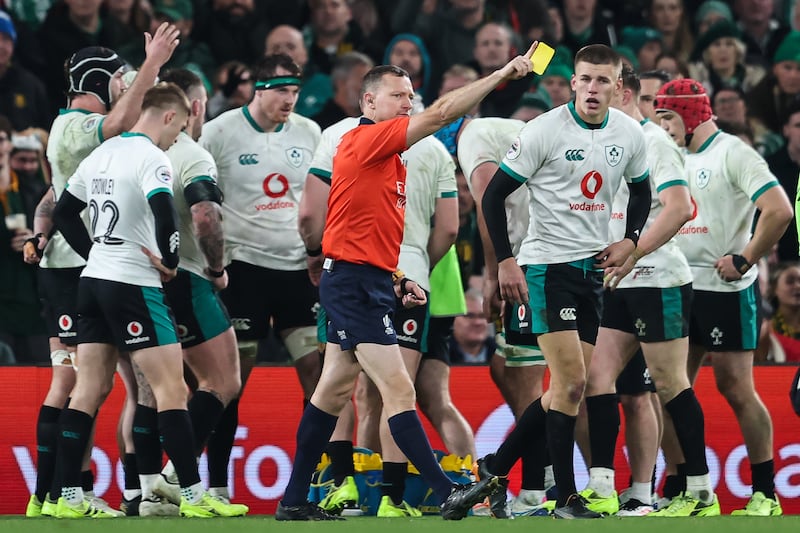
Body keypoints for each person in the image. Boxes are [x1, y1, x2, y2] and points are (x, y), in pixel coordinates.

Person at [275, 41, 537, 521]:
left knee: (332, 391)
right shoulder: (367, 139)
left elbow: (357, 229)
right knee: (399, 389)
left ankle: (293, 500)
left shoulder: (390, 159)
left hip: (364, 279)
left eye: (410, 95)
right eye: (397, 95)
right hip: (353, 285)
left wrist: (394, 278)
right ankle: (446, 492)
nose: (407, 103)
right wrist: (501, 74)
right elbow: (440, 114)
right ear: (368, 102)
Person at [478, 44, 652, 519]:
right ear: (572, 82)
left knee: (564, 391)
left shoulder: (629, 133)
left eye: (603, 82)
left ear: (618, 88)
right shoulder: (544, 130)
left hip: (593, 272)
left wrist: (632, 241)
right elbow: (494, 197)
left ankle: (493, 467)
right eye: (585, 80)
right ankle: (564, 497)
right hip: (546, 266)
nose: (593, 89)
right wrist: (506, 261)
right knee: (572, 382)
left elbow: (642, 193)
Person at [50, 82, 236, 519]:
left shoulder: (103, 152)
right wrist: (169, 259)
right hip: (135, 284)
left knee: (88, 391)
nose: (177, 140)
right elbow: (164, 210)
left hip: (93, 281)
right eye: (180, 128)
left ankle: (68, 499)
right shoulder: (153, 157)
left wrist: (93, 251)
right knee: (171, 388)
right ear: (170, 116)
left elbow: (62, 212)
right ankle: (192, 496)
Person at [22, 30, 179, 518]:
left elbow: (55, 197)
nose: (122, 85)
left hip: (86, 269)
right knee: (75, 385)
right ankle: (55, 496)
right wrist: (152, 65)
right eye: (115, 78)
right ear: (96, 80)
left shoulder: (78, 135)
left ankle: (109, 491)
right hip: (77, 272)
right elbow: (118, 123)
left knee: (113, 386)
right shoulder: (74, 125)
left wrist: (38, 230)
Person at [579, 66, 714, 518]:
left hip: (657, 277)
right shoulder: (609, 145)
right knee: (596, 379)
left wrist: (632, 251)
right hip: (621, 278)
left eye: (603, 88)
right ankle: (601, 486)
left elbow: (679, 209)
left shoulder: (654, 141)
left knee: (670, 382)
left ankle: (699, 493)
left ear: (626, 93)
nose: (592, 97)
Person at [657, 77, 792, 516]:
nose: (664, 126)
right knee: (671, 391)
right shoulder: (672, 154)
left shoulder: (733, 152)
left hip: (725, 288)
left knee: (735, 388)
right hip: (677, 284)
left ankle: (765, 493)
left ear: (693, 115)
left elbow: (780, 209)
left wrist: (746, 257)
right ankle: (684, 490)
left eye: (669, 117)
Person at [199, 53, 322, 498]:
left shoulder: (310, 133)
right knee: (231, 382)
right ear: (259, 88)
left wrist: (318, 250)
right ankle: (215, 486)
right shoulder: (218, 132)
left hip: (297, 269)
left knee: (321, 376)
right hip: (242, 271)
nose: (290, 99)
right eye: (282, 90)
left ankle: (315, 484)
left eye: (295, 91)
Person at [128, 68, 244, 516]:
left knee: (151, 391)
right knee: (222, 381)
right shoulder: (192, 154)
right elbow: (205, 217)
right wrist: (216, 269)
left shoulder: (122, 152)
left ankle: (144, 489)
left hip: (128, 278)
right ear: (195, 108)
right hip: (184, 277)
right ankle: (173, 481)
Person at [455, 115, 553, 517]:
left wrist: (496, 271)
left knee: (531, 376)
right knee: (503, 365)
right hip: (536, 250)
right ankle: (543, 460)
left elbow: (487, 197)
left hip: (533, 259)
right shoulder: (506, 128)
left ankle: (532, 488)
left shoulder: (471, 138)